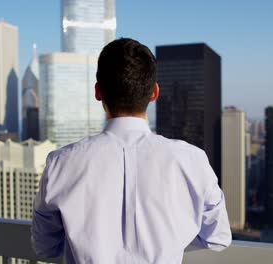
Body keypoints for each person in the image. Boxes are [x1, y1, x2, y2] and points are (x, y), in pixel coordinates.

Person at [31, 38, 231, 264]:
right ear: (154, 93)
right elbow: (218, 238)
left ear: (98, 92)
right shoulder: (192, 160)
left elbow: (45, 248)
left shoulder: (60, 163)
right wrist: (171, 242)